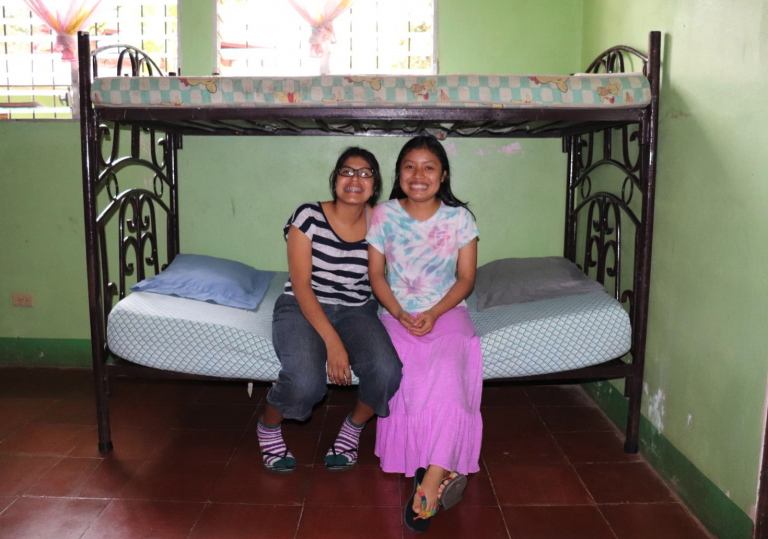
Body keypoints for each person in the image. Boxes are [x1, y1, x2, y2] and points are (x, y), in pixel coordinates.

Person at [257, 147, 402, 474]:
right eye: (346, 171)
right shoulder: (308, 216)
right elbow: (302, 284)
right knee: (305, 383)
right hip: (301, 306)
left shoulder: (380, 221)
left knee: (386, 371)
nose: (355, 178)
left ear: (375, 184)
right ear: (335, 179)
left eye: (365, 173)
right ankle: (267, 424)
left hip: (356, 310)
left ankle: (352, 428)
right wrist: (334, 344)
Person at [367, 135, 482, 533]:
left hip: (447, 310)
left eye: (429, 166)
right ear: (399, 174)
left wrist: (434, 312)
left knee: (450, 374)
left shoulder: (460, 219)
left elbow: (466, 279)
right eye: (409, 167)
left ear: (443, 174)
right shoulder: (382, 215)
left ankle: (431, 479)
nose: (419, 175)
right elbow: (376, 275)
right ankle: (437, 468)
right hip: (396, 313)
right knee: (407, 373)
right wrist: (399, 313)